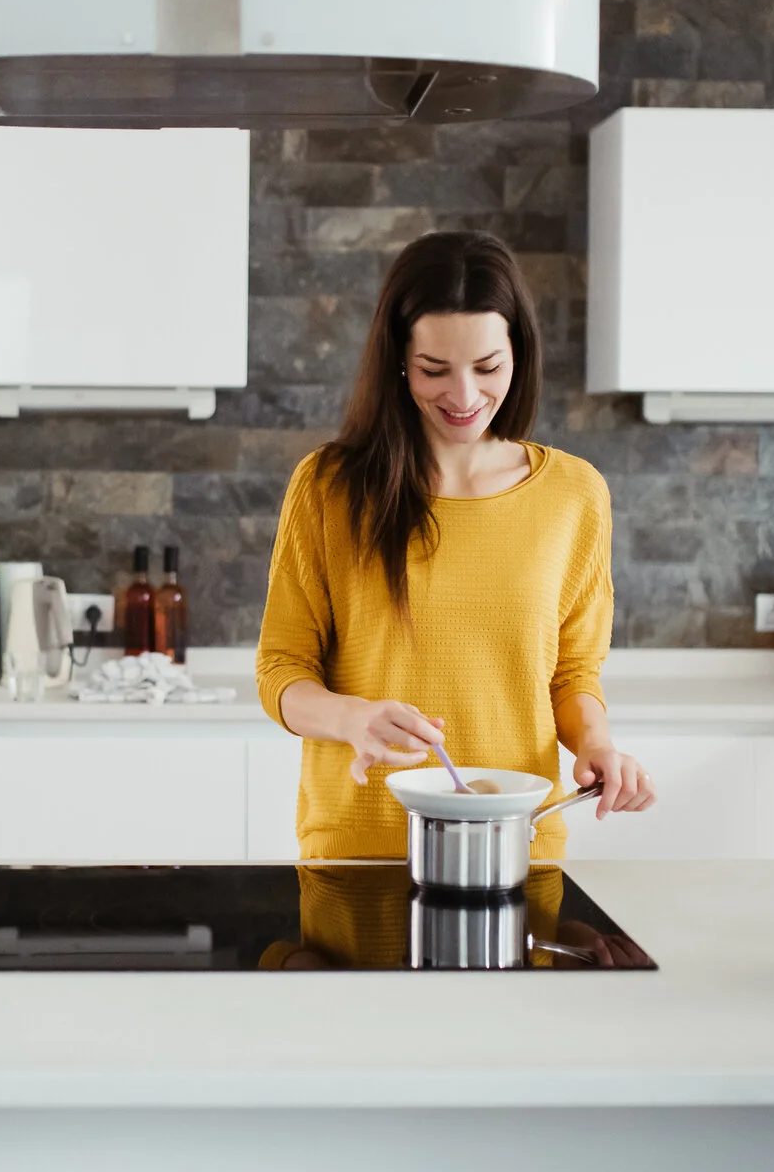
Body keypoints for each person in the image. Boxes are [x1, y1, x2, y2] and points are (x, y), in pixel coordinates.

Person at [256, 230, 656, 864]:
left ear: (518, 354)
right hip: (359, 846)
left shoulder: (575, 494)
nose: (465, 397)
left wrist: (595, 746)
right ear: (399, 361)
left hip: (517, 841)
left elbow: (573, 674)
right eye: (434, 370)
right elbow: (281, 670)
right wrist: (352, 719)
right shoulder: (328, 487)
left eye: (489, 368)